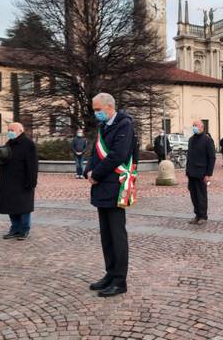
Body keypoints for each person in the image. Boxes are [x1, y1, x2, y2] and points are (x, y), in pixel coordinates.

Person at [84, 93, 136, 298]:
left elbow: (118, 155)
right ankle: (110, 273)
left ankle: (120, 280)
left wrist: (96, 174)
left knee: (117, 235)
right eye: (95, 110)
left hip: (115, 187)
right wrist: (88, 170)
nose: (96, 113)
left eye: (98, 110)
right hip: (102, 187)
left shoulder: (124, 125)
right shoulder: (104, 126)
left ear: (109, 107)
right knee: (106, 235)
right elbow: (96, 153)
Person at [0, 122, 38, 241]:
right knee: (11, 207)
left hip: (23, 181)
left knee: (24, 207)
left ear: (20, 130)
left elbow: (33, 165)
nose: (10, 132)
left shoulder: (28, 144)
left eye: (12, 130)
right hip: (8, 181)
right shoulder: (9, 143)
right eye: (9, 130)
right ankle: (15, 229)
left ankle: (24, 230)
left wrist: (32, 181)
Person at [186, 120, 216, 225]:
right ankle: (197, 214)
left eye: (196, 125)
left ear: (202, 127)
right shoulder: (191, 140)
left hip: (201, 173)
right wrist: (187, 171)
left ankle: (203, 216)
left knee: (201, 195)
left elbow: (212, 158)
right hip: (191, 172)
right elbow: (189, 156)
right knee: (194, 195)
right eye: (193, 125)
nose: (194, 127)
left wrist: (208, 174)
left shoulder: (207, 140)